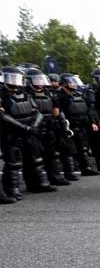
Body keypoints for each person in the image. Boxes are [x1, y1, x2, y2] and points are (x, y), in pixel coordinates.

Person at [0, 66, 57, 199]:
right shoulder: (2, 94)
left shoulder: (25, 93)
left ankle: (38, 184)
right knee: (14, 163)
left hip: (29, 131)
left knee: (35, 159)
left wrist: (34, 126)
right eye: (11, 78)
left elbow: (37, 111)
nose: (14, 82)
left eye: (17, 78)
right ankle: (12, 189)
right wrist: (25, 128)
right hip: (11, 133)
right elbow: (3, 116)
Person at [25, 68, 71, 186]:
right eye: (37, 80)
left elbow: (56, 108)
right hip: (34, 127)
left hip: (49, 126)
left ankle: (55, 177)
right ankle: (36, 182)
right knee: (35, 157)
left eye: (41, 79)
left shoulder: (48, 92)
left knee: (52, 154)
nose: (40, 82)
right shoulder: (26, 93)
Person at [57, 73, 100, 177]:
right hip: (69, 126)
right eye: (72, 82)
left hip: (81, 125)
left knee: (83, 148)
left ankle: (86, 168)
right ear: (65, 83)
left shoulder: (78, 94)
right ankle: (69, 172)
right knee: (68, 150)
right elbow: (59, 112)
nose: (75, 84)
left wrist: (92, 122)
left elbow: (88, 110)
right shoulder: (60, 96)